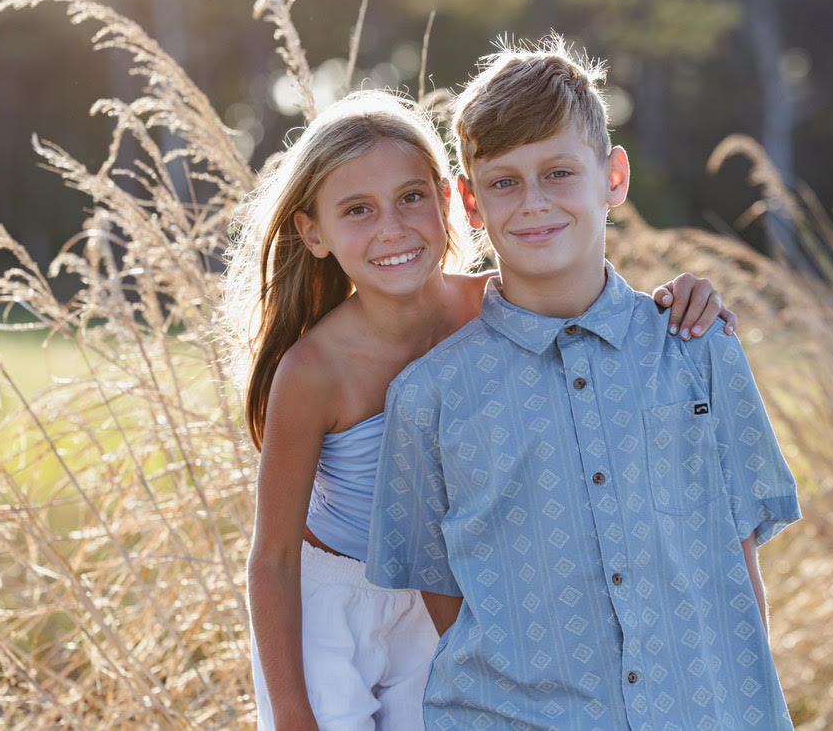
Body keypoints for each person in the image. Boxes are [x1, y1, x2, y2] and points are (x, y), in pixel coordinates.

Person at [221, 88, 740, 731]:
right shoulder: (313, 371)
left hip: (444, 593)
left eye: (411, 197)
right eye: (358, 210)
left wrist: (680, 300)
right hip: (332, 606)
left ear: (448, 201)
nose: (392, 228)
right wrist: (291, 712)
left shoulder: (491, 312)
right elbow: (272, 557)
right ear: (314, 232)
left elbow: (593, 324)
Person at [366, 39, 801, 730]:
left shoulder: (698, 348)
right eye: (504, 183)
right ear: (470, 203)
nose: (533, 203)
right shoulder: (429, 397)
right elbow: (441, 591)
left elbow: (738, 567)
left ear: (613, 177)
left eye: (559, 172)